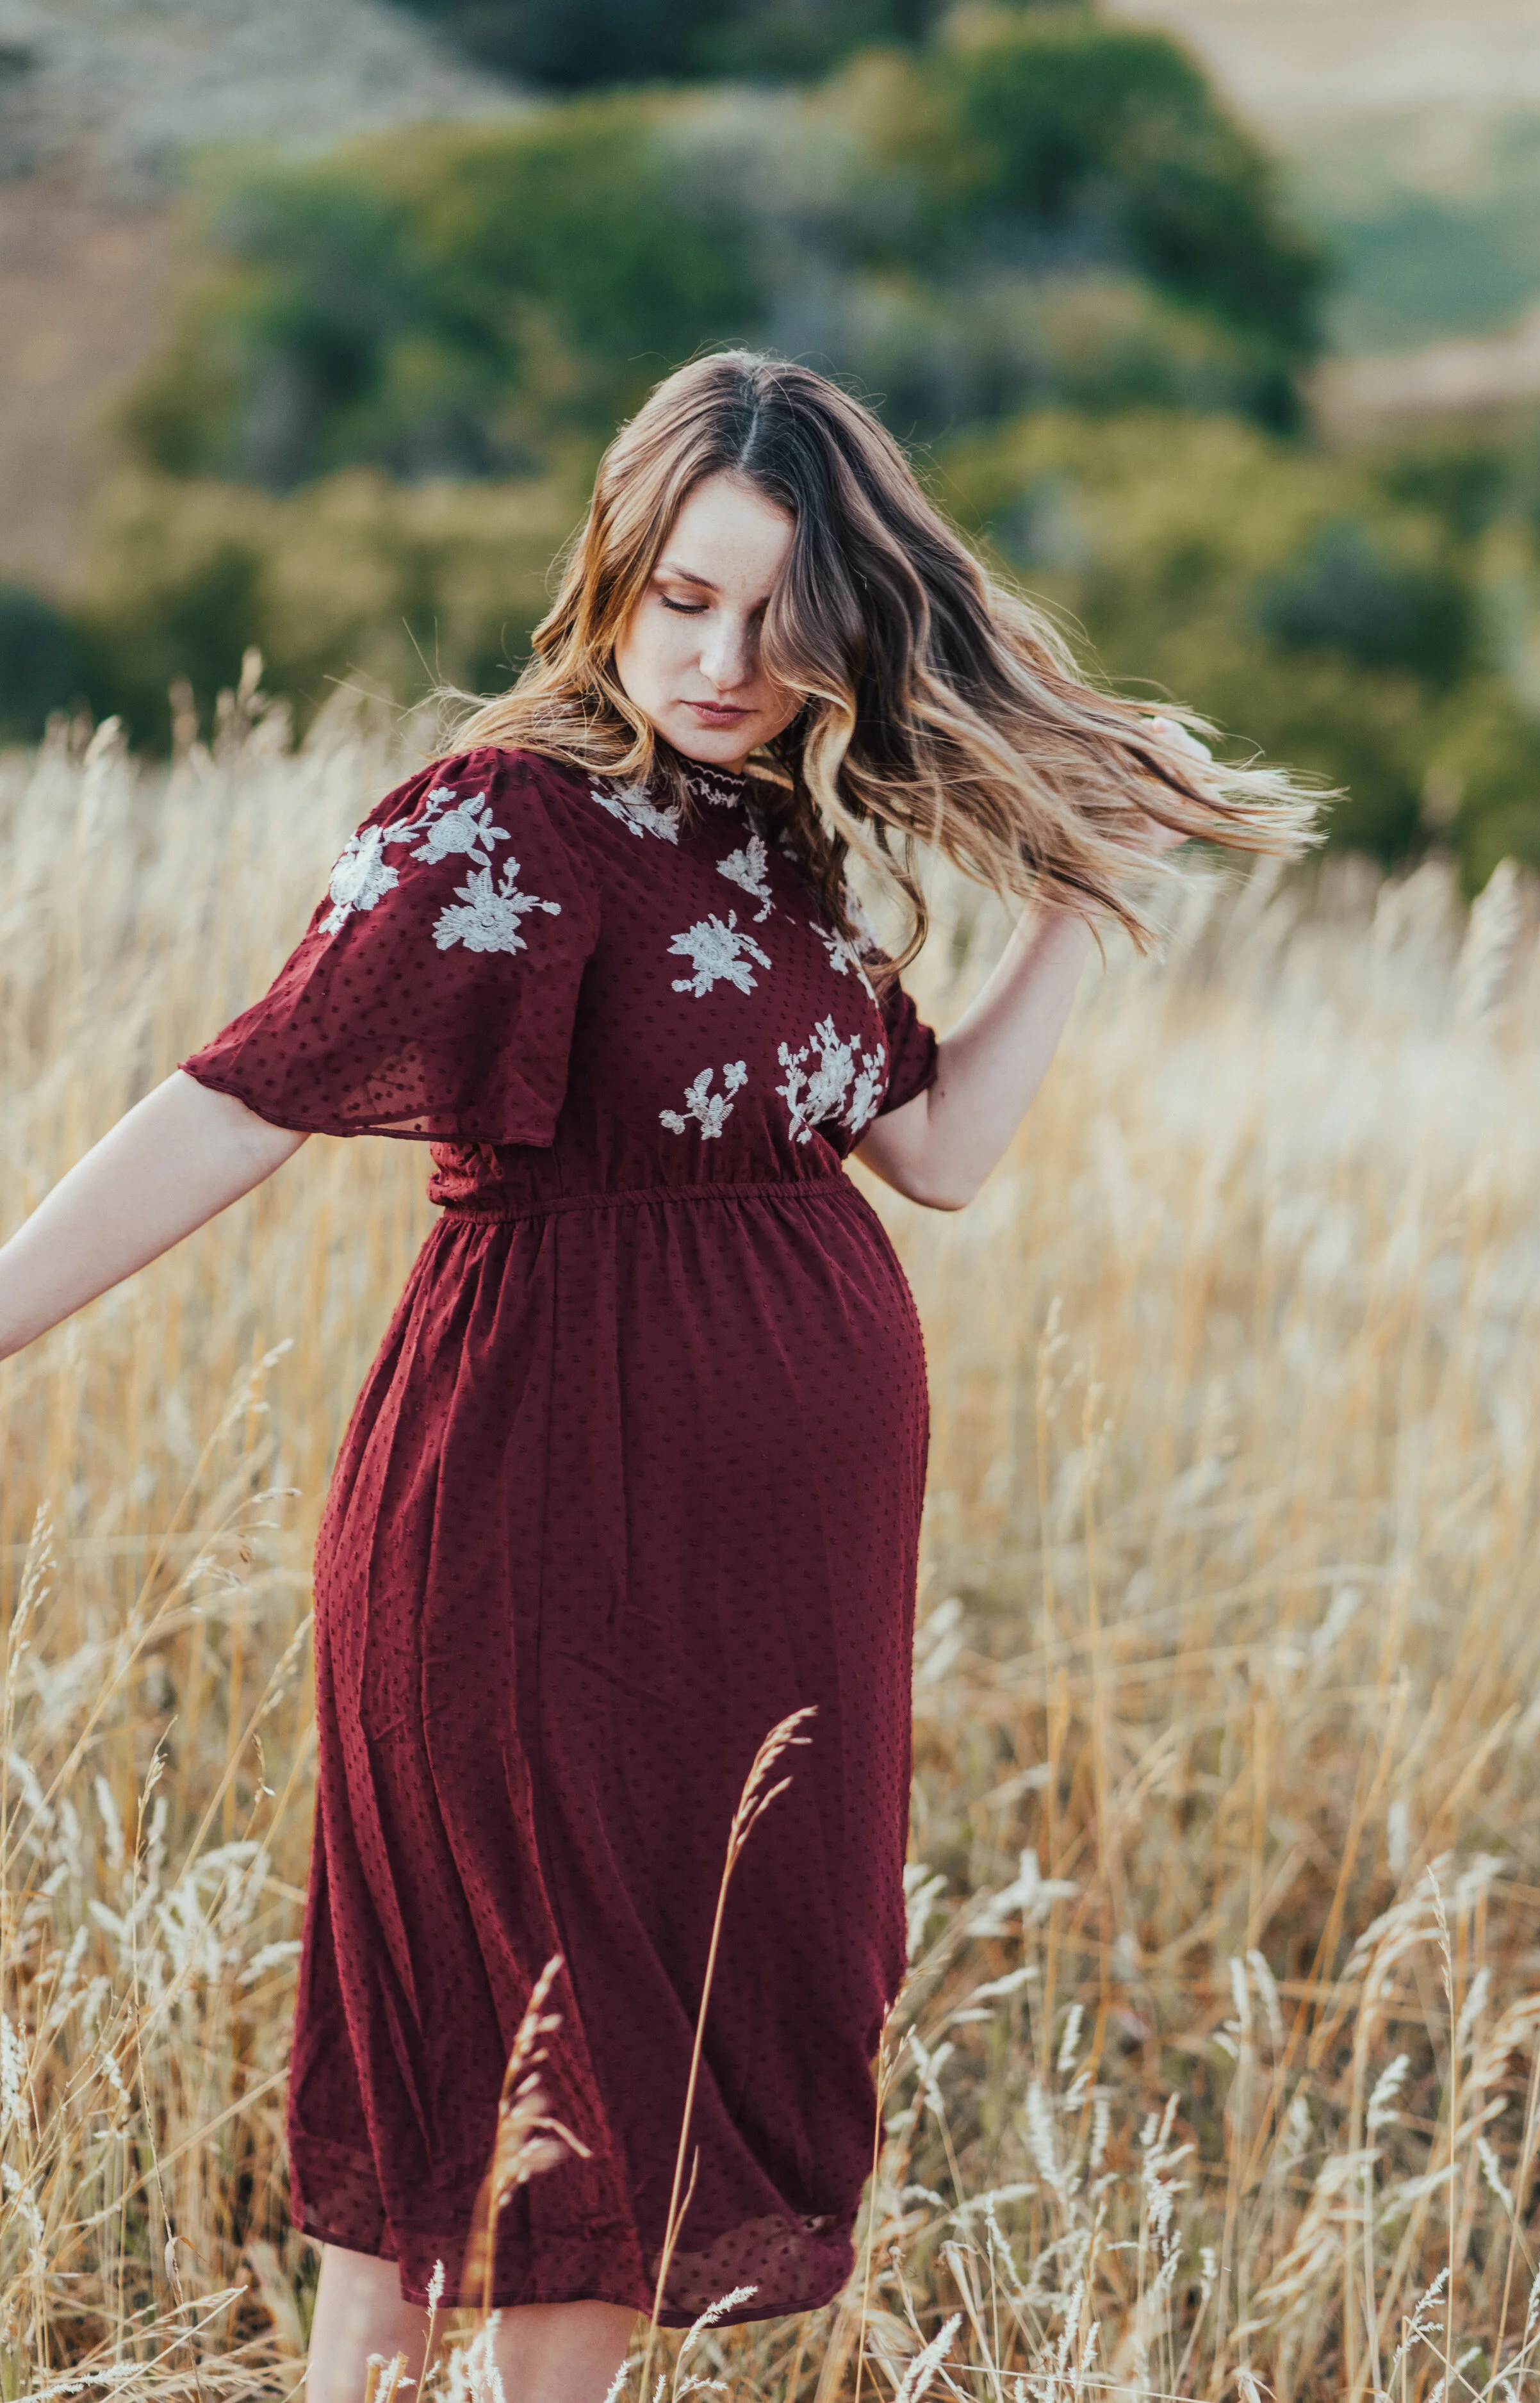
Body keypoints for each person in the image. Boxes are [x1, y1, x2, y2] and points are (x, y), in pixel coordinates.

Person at [0, 352, 1316, 2400]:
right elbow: (243, 1094)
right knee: (497, 2053)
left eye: (774, 624)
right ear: (610, 570)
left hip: (768, 1578)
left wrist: (1074, 896)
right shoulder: (505, 821)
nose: (718, 658)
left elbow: (940, 1154)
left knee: (664, 2044)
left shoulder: (769, 843)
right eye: (679, 599)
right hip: (537, 1512)